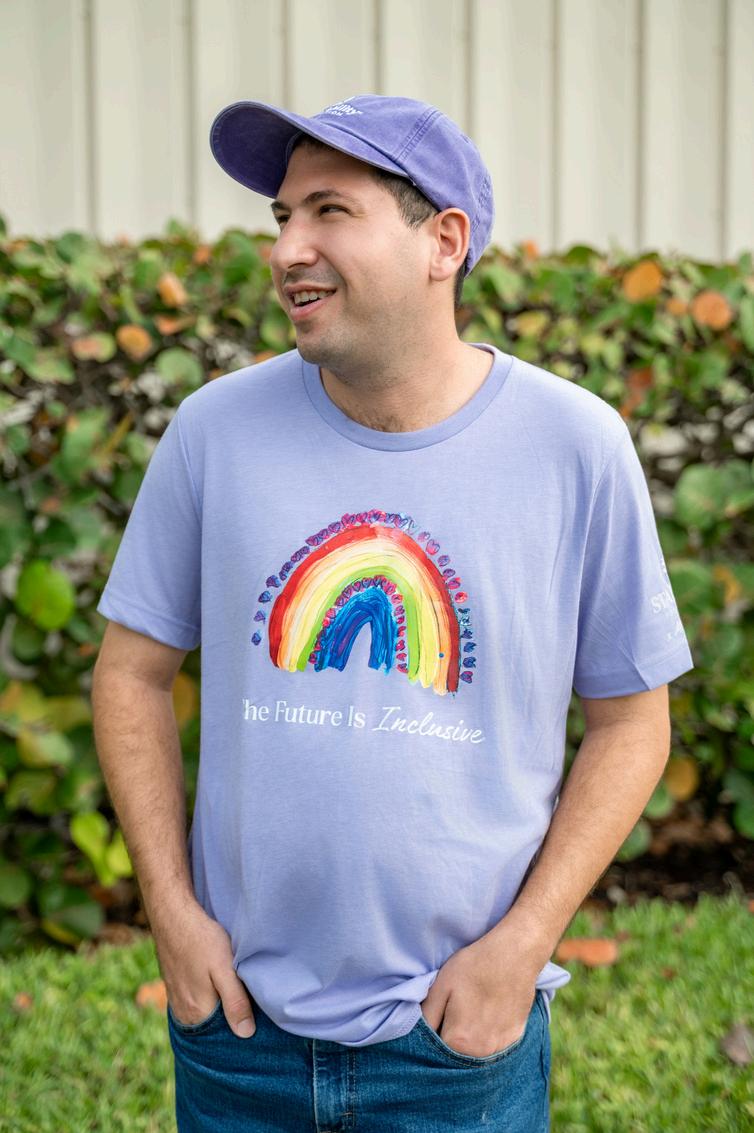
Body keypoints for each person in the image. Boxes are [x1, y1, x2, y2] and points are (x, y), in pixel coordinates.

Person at [92, 94, 695, 1132]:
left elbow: (633, 722)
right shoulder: (213, 432)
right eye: (282, 216)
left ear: (443, 242)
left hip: (456, 1041)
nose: (288, 248)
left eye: (330, 210)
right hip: (236, 1030)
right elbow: (130, 672)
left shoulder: (575, 447)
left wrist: (522, 946)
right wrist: (173, 913)